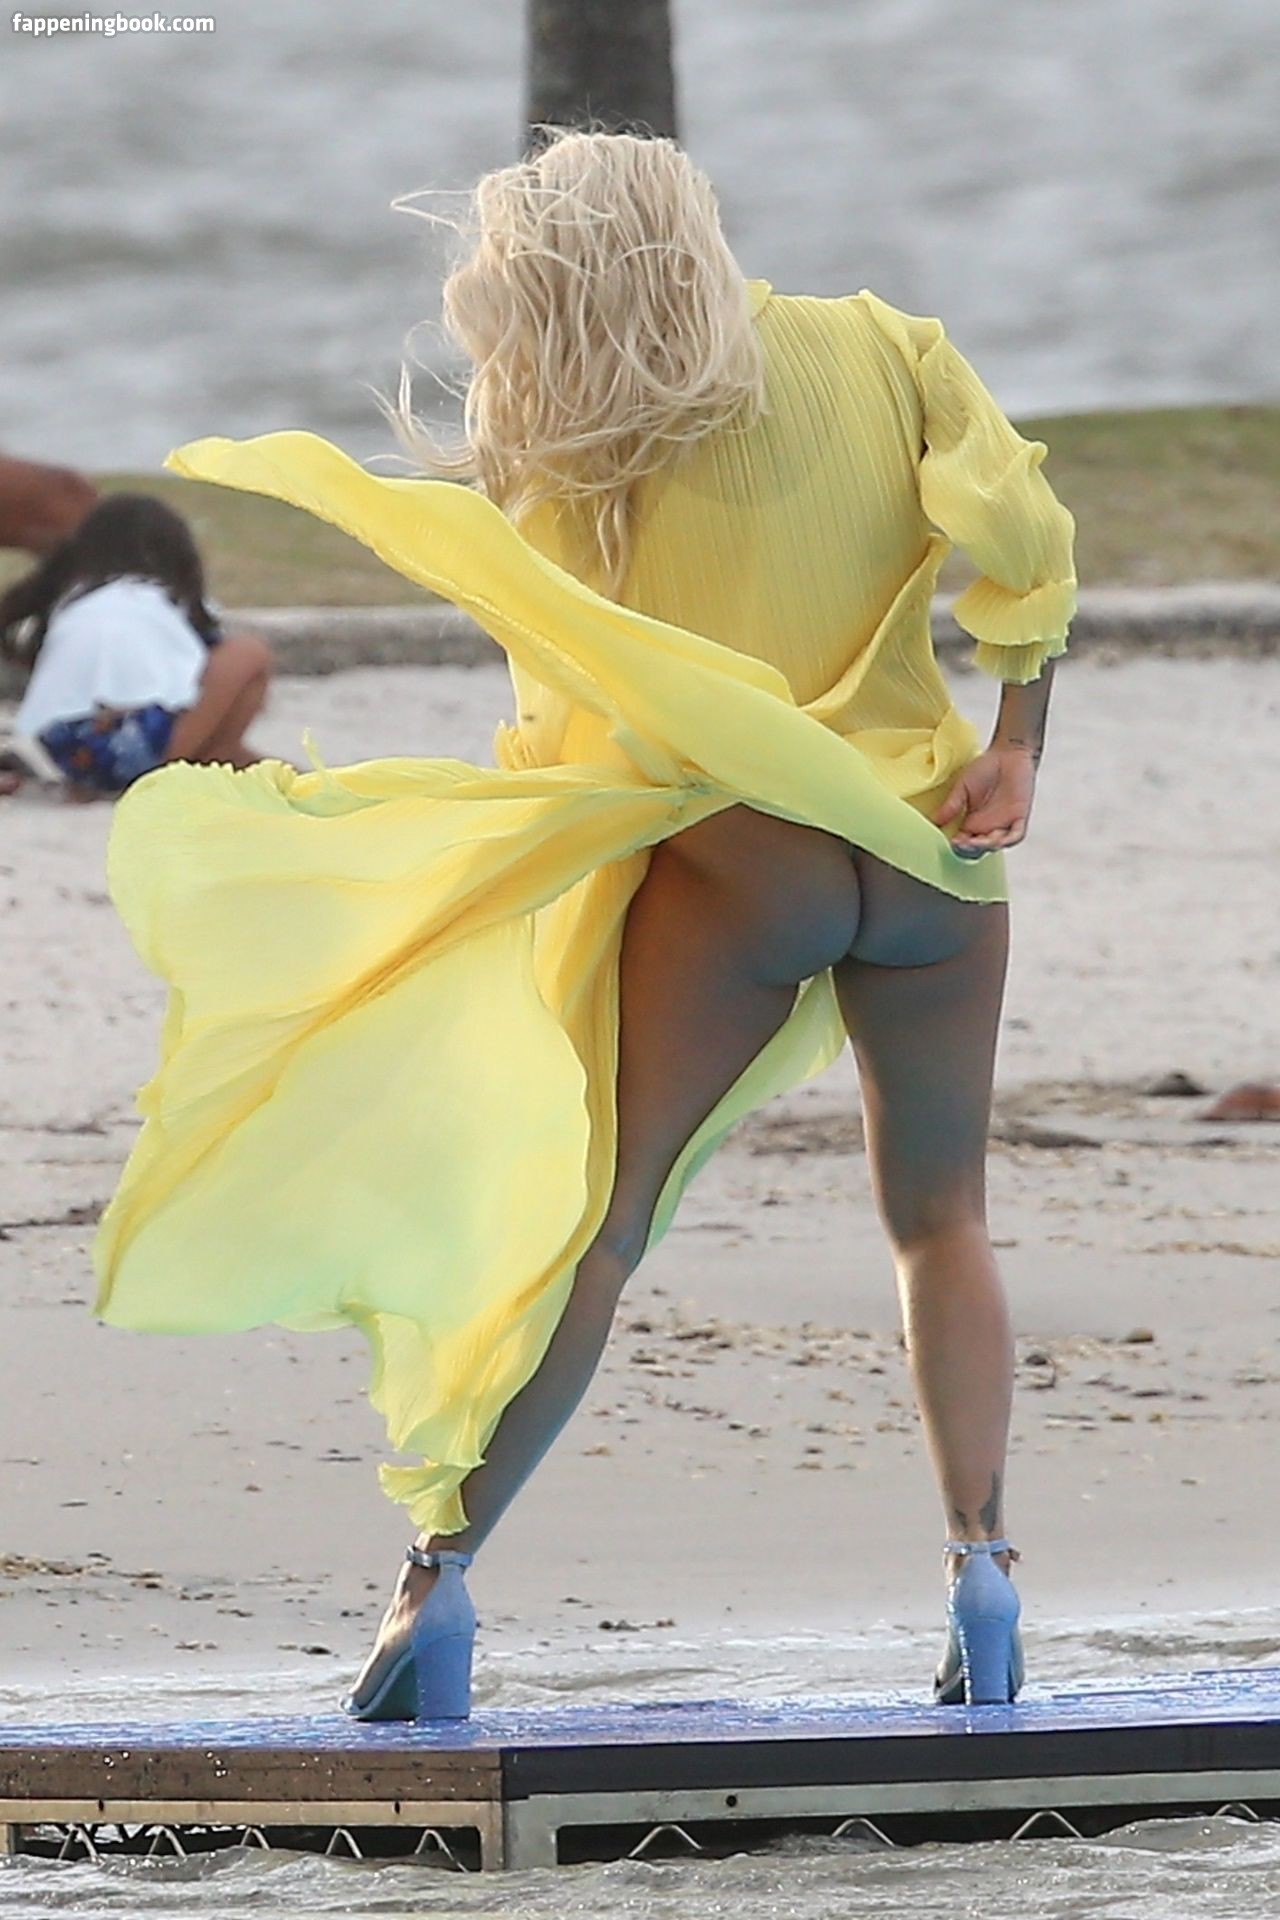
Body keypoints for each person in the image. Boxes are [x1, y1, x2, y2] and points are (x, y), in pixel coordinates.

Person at [91, 129, 1076, 1717]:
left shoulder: (574, 446)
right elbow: (1027, 538)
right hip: (932, 848)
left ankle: (438, 1589)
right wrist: (1019, 739)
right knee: (939, 1219)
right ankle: (987, 1573)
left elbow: (575, 714)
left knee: (605, 1227)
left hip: (741, 857)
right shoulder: (886, 345)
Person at [0, 493, 274, 799]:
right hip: (133, 748)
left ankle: (221, 761)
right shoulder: (163, 596)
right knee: (248, 654)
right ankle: (208, 764)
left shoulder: (73, 599)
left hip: (70, 754)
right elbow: (210, 665)